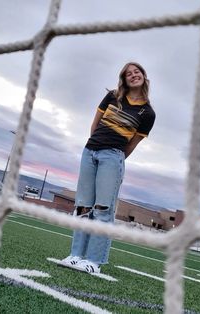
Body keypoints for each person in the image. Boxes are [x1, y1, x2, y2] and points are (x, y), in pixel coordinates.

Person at [61, 62, 156, 274]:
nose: (133, 75)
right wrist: (95, 145)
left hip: (113, 157)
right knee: (83, 207)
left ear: (143, 75)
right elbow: (95, 125)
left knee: (103, 209)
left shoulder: (148, 113)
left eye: (137, 72)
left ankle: (94, 262)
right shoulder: (113, 96)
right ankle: (75, 255)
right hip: (90, 152)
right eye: (128, 74)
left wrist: (115, 157)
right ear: (124, 79)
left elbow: (132, 144)